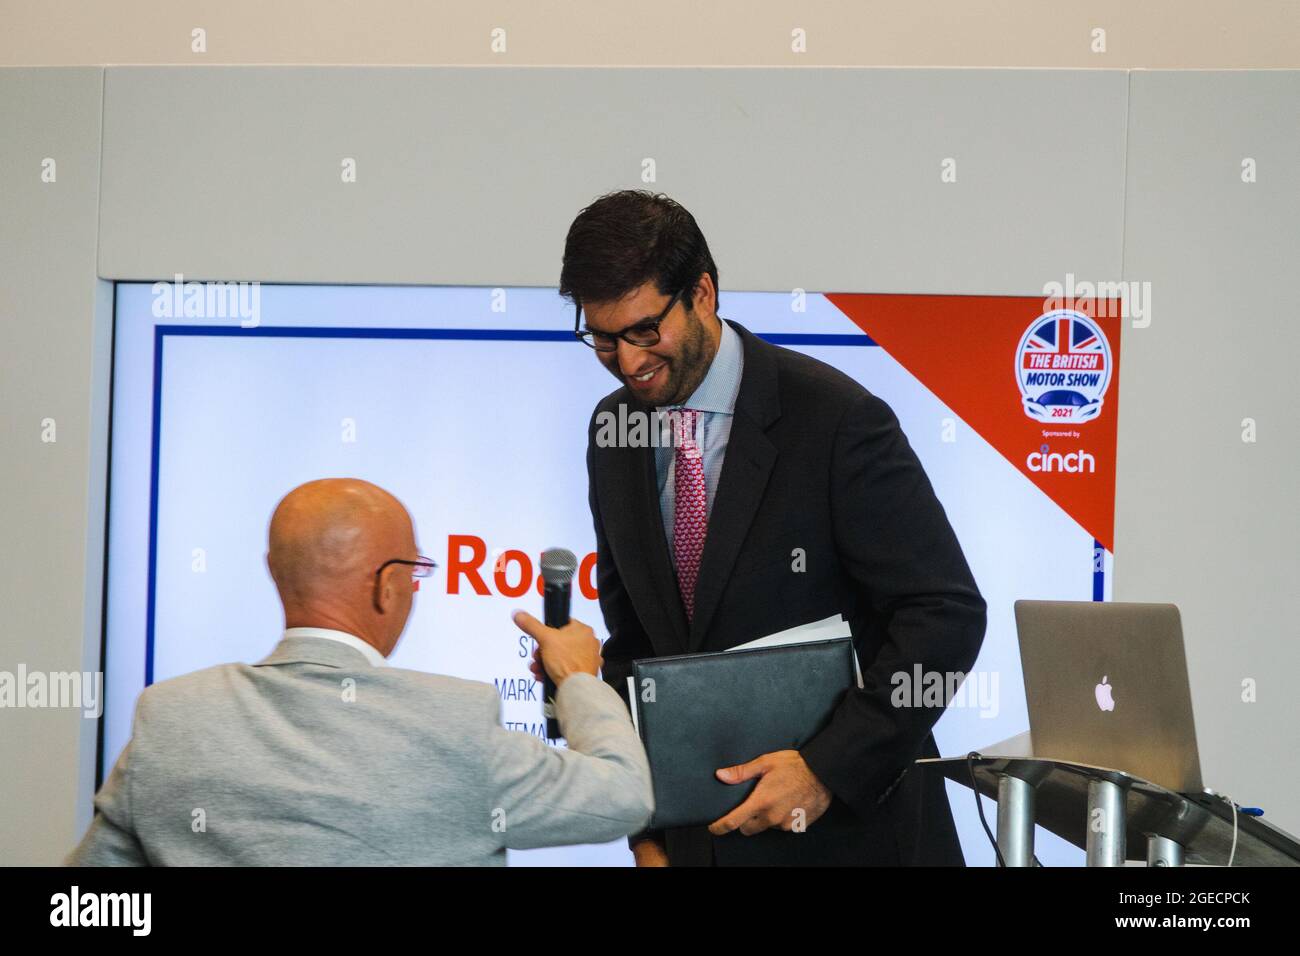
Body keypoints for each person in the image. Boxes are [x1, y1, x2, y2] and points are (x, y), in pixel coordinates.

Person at [561, 190, 986, 866]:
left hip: (852, 844)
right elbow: (636, 647)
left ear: (702, 294)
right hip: (696, 846)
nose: (629, 360)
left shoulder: (837, 420)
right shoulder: (613, 430)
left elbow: (945, 615)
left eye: (645, 330)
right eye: (603, 339)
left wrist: (824, 770)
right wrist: (647, 830)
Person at [67, 478, 652, 865]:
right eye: (418, 572)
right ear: (387, 584)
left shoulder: (172, 717)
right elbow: (624, 794)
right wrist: (577, 678)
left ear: (276, 573)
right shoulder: (455, 723)